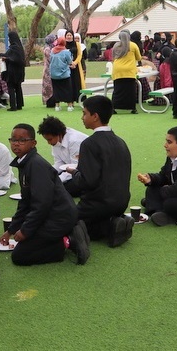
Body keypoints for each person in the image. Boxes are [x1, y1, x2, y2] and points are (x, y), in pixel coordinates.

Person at [0, 124, 91, 266]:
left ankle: (67, 241)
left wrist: (25, 231)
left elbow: (41, 204)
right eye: (13, 140)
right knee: (23, 246)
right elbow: (25, 202)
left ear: (33, 143)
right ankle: (68, 232)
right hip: (52, 215)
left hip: (59, 217)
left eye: (22, 140)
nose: (16, 143)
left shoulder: (35, 165)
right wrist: (11, 230)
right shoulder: (25, 162)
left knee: (20, 256)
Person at [62, 95, 134, 247]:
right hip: (121, 201)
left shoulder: (89, 144)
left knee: (64, 220)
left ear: (95, 116)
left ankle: (109, 226)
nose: (82, 117)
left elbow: (87, 181)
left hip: (96, 204)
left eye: (84, 113)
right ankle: (115, 220)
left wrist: (73, 172)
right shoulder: (121, 142)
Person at [111, 31, 142, 114]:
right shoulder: (133, 45)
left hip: (117, 70)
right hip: (129, 71)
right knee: (130, 90)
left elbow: (113, 57)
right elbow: (139, 58)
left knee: (117, 90)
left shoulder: (116, 45)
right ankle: (132, 108)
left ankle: (113, 107)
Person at [2, 31, 26, 111]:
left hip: (13, 71)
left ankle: (13, 106)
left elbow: (14, 58)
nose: (9, 40)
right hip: (19, 71)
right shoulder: (20, 47)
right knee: (18, 87)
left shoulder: (14, 48)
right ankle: (19, 104)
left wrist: (7, 58)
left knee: (11, 87)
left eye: (9, 38)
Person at [50, 37, 74, 112]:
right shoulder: (66, 52)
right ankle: (69, 105)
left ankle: (57, 106)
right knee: (68, 89)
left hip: (53, 74)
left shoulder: (52, 50)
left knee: (56, 90)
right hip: (64, 74)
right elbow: (70, 62)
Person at [65, 30, 85, 100]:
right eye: (67, 35)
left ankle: (79, 98)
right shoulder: (64, 44)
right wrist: (69, 63)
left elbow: (80, 55)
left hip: (76, 67)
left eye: (70, 35)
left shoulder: (77, 44)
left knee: (77, 82)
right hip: (67, 67)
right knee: (68, 83)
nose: (69, 37)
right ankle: (70, 99)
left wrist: (74, 63)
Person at [41, 33, 57, 108]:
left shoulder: (51, 48)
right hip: (48, 70)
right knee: (49, 87)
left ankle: (53, 101)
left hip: (50, 69)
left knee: (51, 86)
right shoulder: (48, 49)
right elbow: (51, 59)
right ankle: (50, 102)